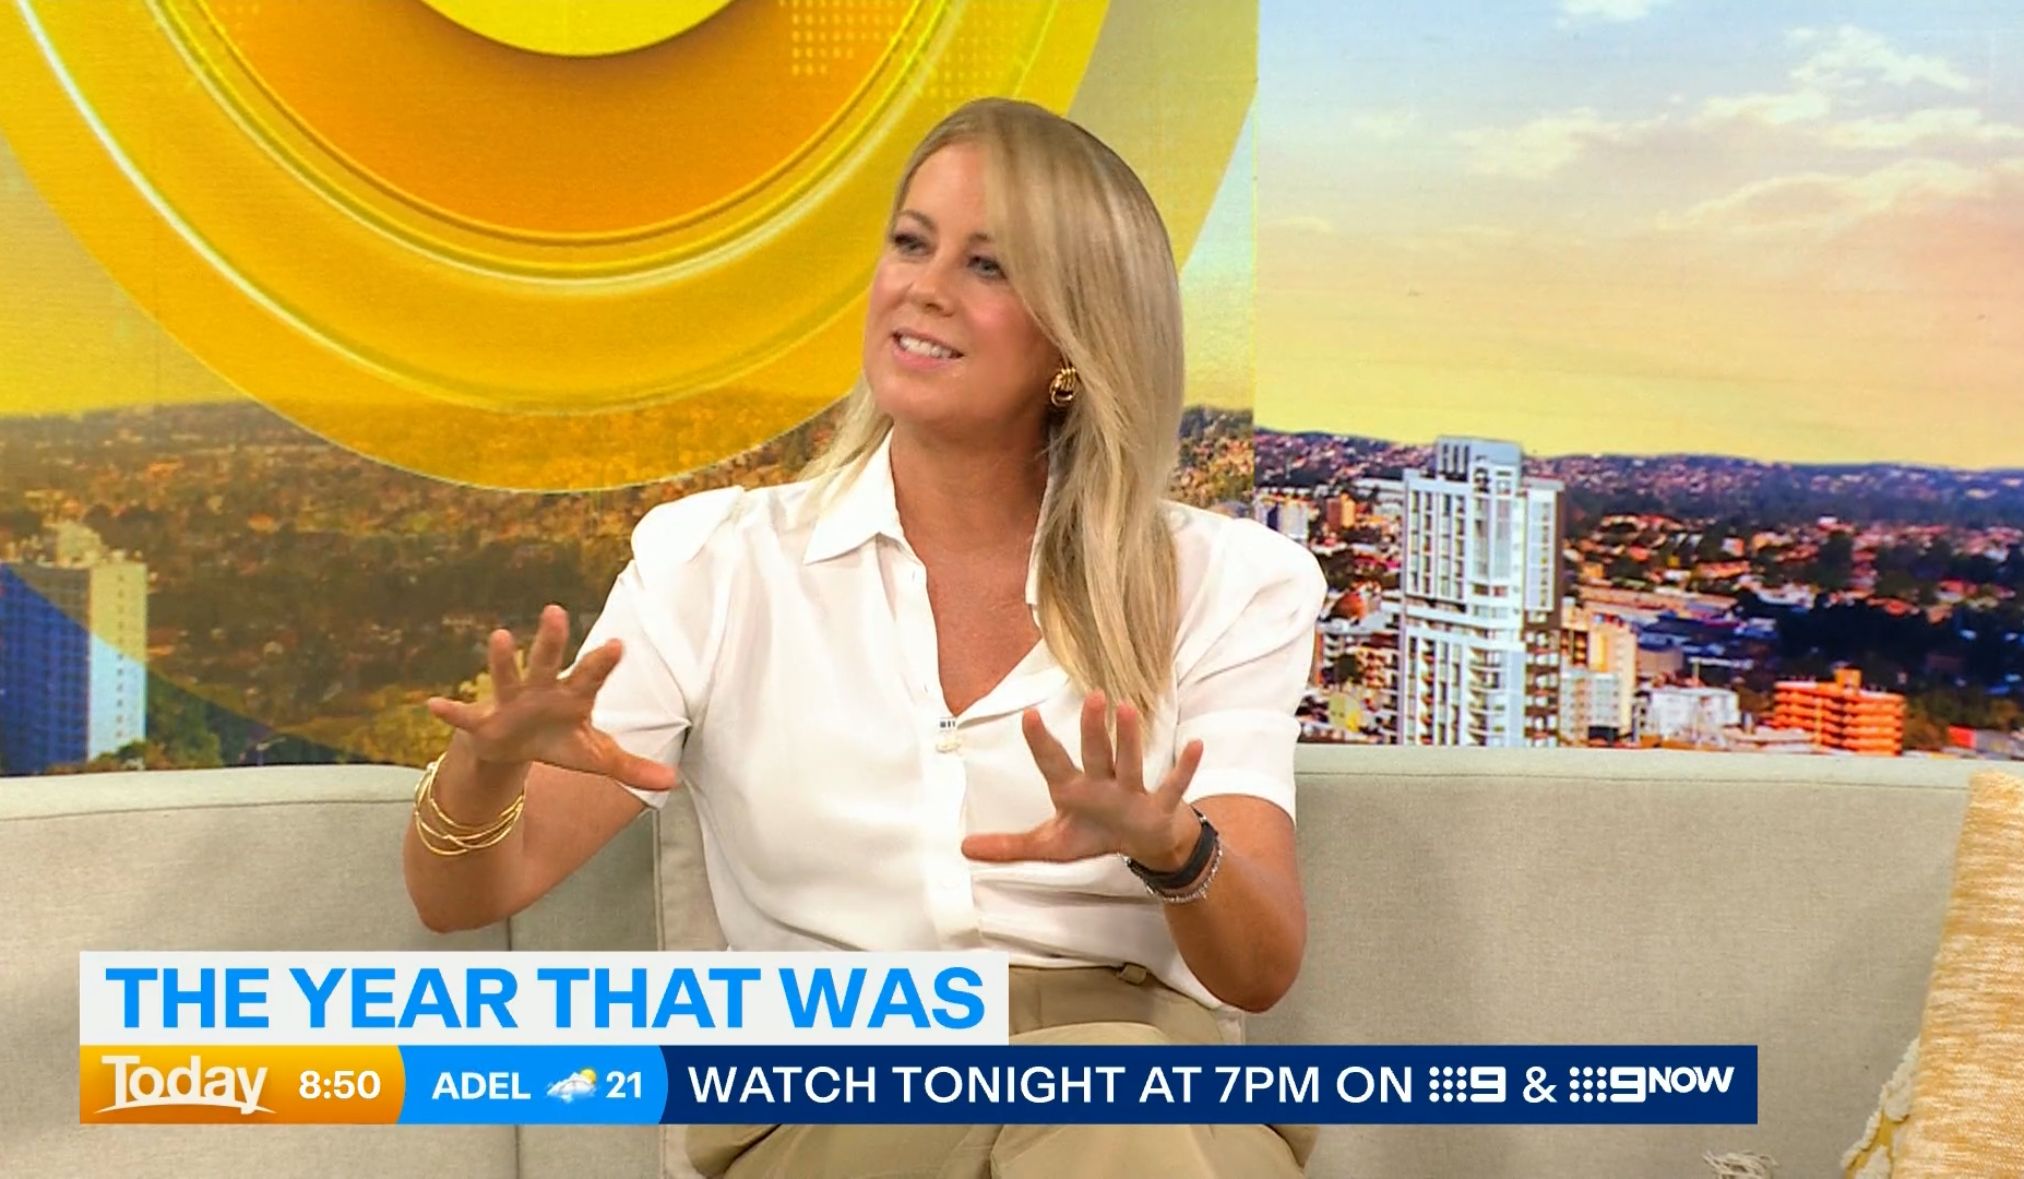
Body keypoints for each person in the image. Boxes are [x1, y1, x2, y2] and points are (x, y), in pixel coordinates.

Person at [404, 97, 1326, 1177]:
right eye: (911, 242)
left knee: (1110, 1098)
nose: (924, 287)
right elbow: (460, 898)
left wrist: (1173, 849)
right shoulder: (715, 565)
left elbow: (1259, 969)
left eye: (989, 265)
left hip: (1144, 1087)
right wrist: (485, 768)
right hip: (839, 1102)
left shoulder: (1227, 583)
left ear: (1074, 342)